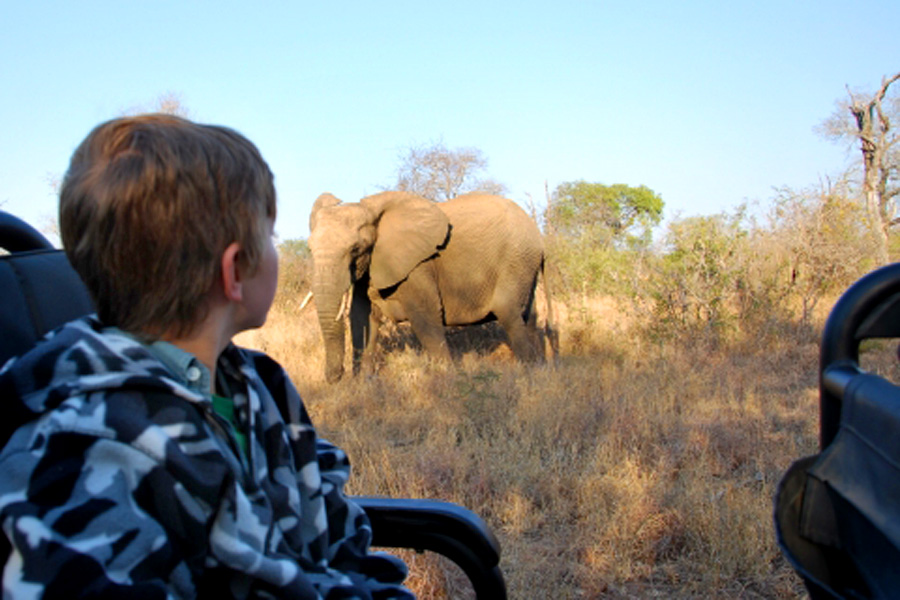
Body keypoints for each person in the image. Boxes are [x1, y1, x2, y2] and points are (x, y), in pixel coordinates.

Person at [0, 115, 412, 599]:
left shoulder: (262, 383)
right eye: (272, 236)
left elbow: (338, 533)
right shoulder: (74, 450)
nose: (278, 250)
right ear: (235, 270)